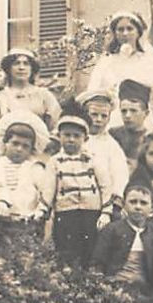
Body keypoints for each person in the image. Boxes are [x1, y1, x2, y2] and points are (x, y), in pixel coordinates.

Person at [47, 112, 116, 268]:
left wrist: (106, 212)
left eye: (76, 136)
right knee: (67, 249)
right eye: (67, 135)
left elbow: (105, 186)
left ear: (85, 138)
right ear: (59, 136)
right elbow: (48, 189)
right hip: (65, 212)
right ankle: (68, 281)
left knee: (90, 248)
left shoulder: (92, 160)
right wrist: (43, 209)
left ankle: (89, 279)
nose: (71, 139)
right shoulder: (54, 162)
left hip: (91, 212)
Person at [82, 11, 153, 124]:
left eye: (130, 29)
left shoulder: (152, 61)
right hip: (112, 120)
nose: (125, 34)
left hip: (143, 120)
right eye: (120, 29)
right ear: (115, 33)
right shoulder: (105, 62)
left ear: (138, 32)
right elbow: (93, 93)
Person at [0, 118, 51, 230]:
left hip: (28, 220)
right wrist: (0, 203)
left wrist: (40, 210)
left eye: (25, 146)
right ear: (6, 143)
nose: (19, 149)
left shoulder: (34, 167)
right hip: (0, 220)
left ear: (31, 149)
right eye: (15, 143)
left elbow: (45, 192)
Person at [80, 89, 130, 206]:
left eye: (104, 116)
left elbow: (120, 176)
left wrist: (115, 200)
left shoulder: (111, 146)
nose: (99, 119)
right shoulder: (76, 139)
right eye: (94, 114)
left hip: (102, 203)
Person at [0, 47, 62, 133]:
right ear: (8, 68)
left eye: (26, 64)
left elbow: (56, 126)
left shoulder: (44, 95)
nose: (21, 68)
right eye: (16, 63)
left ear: (32, 68)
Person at [110, 80, 152, 164]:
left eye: (133, 111)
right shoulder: (112, 135)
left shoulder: (151, 139)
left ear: (146, 113)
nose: (127, 115)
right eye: (124, 111)